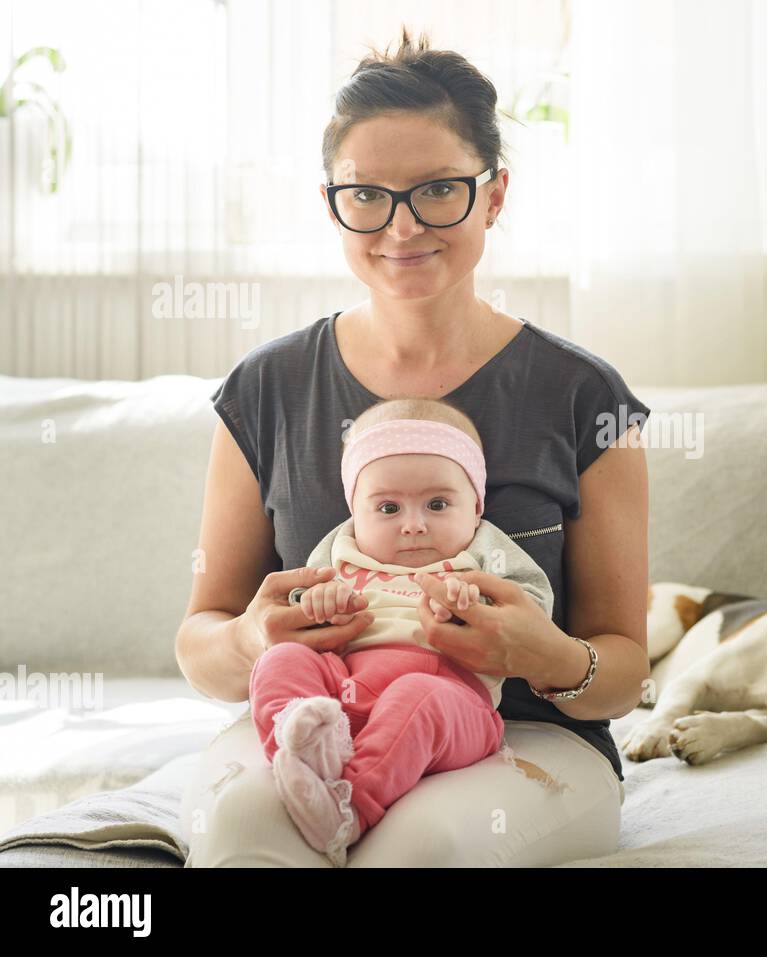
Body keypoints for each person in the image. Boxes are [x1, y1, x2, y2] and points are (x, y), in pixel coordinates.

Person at [176, 28, 651, 867]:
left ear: (495, 194)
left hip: (522, 743)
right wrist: (254, 639)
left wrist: (541, 655)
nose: (402, 225)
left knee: (421, 843)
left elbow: (623, 670)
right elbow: (201, 639)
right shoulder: (266, 389)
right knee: (249, 825)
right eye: (367, 195)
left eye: (438, 190)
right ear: (332, 202)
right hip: (319, 715)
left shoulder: (585, 397)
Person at [254, 397, 558, 866]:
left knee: (418, 694)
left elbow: (532, 610)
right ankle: (300, 750)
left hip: (451, 700)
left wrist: (475, 604)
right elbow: (300, 605)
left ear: (475, 506)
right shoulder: (341, 550)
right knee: (279, 661)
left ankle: (350, 804)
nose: (414, 526)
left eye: (438, 504)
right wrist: (318, 604)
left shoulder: (482, 553)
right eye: (389, 507)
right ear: (355, 510)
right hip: (342, 691)